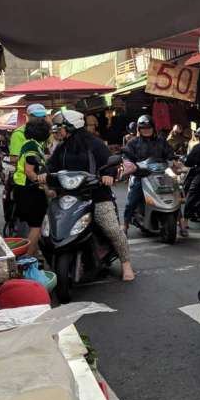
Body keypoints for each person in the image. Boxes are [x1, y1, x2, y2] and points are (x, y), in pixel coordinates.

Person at [40, 110, 135, 281]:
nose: (57, 131)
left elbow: (109, 161)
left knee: (111, 228)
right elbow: (50, 166)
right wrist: (43, 174)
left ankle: (126, 264)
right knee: (48, 230)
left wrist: (109, 174)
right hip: (67, 195)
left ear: (71, 126)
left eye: (60, 127)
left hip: (96, 194)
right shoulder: (61, 148)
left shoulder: (95, 144)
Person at [122, 115, 176, 234]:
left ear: (153, 128)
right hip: (141, 176)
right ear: (139, 130)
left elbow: (169, 153)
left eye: (149, 128)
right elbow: (126, 155)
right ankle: (125, 225)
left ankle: (181, 222)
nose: (146, 130)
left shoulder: (161, 141)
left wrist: (173, 160)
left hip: (161, 174)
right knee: (133, 199)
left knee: (175, 192)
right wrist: (129, 164)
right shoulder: (133, 143)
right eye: (143, 128)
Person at [13, 119, 50, 256]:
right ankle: (27, 261)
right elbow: (29, 171)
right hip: (29, 190)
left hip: (23, 189)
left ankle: (32, 257)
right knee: (36, 226)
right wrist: (43, 185)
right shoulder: (32, 147)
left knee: (31, 226)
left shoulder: (31, 144)